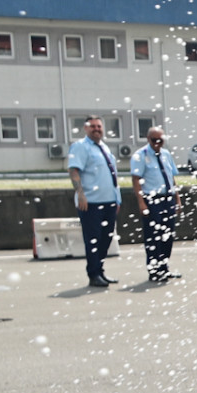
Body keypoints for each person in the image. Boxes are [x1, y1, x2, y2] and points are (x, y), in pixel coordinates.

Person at [68, 116, 121, 290]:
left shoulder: (104, 147)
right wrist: (80, 194)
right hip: (91, 203)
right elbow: (74, 170)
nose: (97, 129)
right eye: (93, 126)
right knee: (93, 239)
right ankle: (93, 274)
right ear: (85, 128)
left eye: (99, 126)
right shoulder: (81, 147)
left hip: (109, 202)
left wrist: (117, 198)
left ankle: (100, 270)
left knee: (106, 238)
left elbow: (112, 175)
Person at [129, 126, 183, 284]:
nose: (158, 143)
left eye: (161, 140)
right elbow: (136, 180)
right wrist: (141, 203)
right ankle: (154, 271)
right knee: (153, 236)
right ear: (148, 139)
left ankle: (164, 267)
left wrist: (177, 199)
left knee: (168, 235)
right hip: (152, 200)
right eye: (154, 140)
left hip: (168, 198)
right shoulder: (141, 155)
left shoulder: (166, 154)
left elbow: (171, 178)